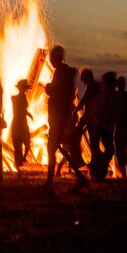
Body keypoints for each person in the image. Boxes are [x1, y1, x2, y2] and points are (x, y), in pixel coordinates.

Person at [43, 45, 86, 187]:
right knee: (60, 146)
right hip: (62, 116)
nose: (50, 60)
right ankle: (79, 176)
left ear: (56, 58)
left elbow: (56, 91)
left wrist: (47, 87)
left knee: (52, 147)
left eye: (51, 57)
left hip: (59, 117)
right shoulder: (66, 72)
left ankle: (50, 180)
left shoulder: (61, 72)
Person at [88, 71, 119, 180]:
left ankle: (98, 171)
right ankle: (98, 170)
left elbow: (95, 109)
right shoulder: (112, 94)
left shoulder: (102, 94)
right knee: (109, 150)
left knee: (103, 150)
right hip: (104, 127)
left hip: (100, 126)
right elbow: (112, 109)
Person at [11, 79, 33, 168]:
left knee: (27, 144)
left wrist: (28, 113)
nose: (23, 90)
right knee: (18, 145)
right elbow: (18, 110)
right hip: (18, 123)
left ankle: (22, 159)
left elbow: (22, 110)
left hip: (23, 123)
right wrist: (27, 113)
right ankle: (18, 164)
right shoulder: (14, 98)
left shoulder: (22, 98)